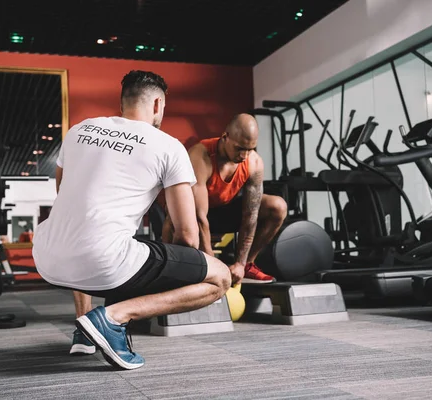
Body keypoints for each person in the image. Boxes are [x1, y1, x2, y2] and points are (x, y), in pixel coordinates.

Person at [32, 70, 231, 370]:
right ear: (157, 105)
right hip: (102, 261)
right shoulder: (168, 146)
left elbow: (67, 200)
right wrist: (174, 271)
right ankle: (113, 318)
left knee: (101, 237)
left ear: (123, 102)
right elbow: (188, 235)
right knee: (220, 277)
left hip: (46, 257)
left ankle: (84, 333)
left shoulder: (79, 130)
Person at [162, 113, 288, 285]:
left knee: (277, 206)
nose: (244, 155)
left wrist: (240, 263)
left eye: (250, 149)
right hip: (195, 217)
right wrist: (212, 264)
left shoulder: (254, 163)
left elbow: (251, 215)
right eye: (239, 148)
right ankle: (169, 273)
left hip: (225, 211)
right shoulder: (201, 156)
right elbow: (198, 216)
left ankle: (248, 265)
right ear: (225, 137)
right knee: (173, 219)